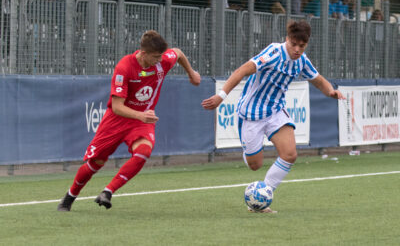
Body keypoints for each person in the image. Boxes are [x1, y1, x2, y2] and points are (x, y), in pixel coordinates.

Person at [201, 20, 345, 213]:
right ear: (287, 39)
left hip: (276, 111)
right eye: (293, 44)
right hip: (251, 113)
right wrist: (221, 96)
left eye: (301, 46)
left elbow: (317, 80)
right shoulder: (273, 53)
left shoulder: (302, 61)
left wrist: (331, 92)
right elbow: (242, 70)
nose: (296, 49)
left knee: (290, 154)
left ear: (306, 44)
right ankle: (250, 152)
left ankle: (263, 196)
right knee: (255, 165)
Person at [58, 30, 201, 211]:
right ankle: (69, 197)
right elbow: (117, 107)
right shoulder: (124, 67)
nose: (160, 60)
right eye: (156, 57)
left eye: (161, 56)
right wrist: (141, 115)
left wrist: (191, 73)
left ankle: (108, 192)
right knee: (96, 163)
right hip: (117, 120)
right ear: (143, 53)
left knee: (143, 151)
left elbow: (178, 53)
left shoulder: (163, 61)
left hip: (141, 121)